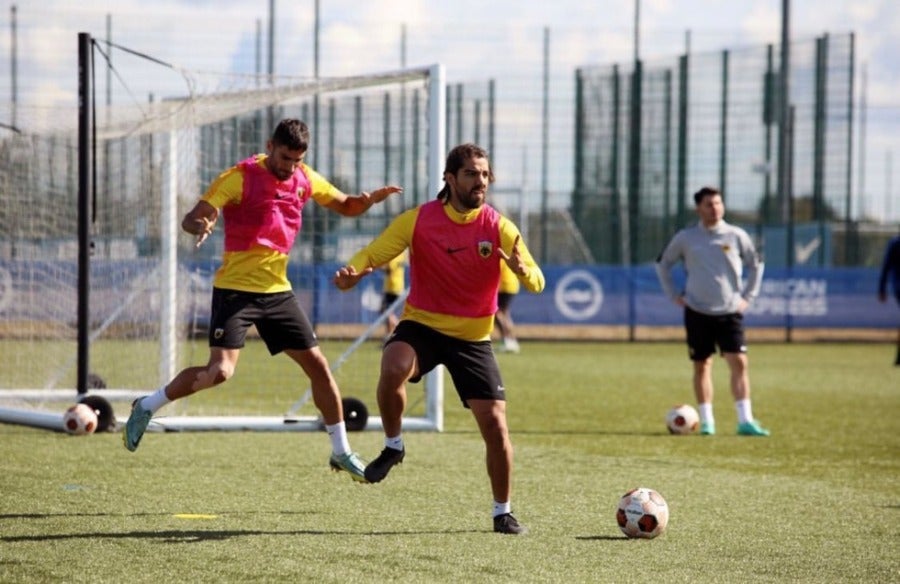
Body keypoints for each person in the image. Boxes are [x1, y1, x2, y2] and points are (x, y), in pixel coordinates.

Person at [122, 118, 402, 483]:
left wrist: (366, 202)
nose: (289, 167)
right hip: (236, 290)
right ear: (270, 146)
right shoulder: (238, 177)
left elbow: (346, 206)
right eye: (284, 158)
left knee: (319, 367)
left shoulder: (304, 178)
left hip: (277, 292)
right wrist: (201, 225)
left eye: (296, 160)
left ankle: (341, 451)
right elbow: (192, 218)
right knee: (219, 372)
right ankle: (146, 406)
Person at [333, 143, 544, 534]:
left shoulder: (500, 227)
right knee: (393, 364)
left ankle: (503, 512)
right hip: (423, 327)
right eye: (471, 174)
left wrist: (523, 270)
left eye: (484, 174)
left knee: (496, 426)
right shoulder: (418, 220)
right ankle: (394, 446)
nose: (480, 181)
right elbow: (375, 252)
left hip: (474, 339)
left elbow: (537, 281)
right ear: (450, 178)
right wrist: (353, 271)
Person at [655, 186, 769, 437]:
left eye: (718, 203)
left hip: (730, 310)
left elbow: (756, 264)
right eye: (709, 204)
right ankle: (706, 421)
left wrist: (748, 296)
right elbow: (663, 264)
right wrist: (674, 295)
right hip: (697, 310)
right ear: (699, 208)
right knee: (701, 365)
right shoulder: (686, 237)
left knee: (739, 363)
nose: (715, 208)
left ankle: (745, 420)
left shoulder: (736, 235)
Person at [877, 233, 900, 365]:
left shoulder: (894, 242)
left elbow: (886, 267)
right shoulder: (895, 243)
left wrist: (882, 288)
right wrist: (881, 288)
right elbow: (886, 266)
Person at [495, 259, 521, 353]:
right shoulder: (508, 251)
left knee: (497, 313)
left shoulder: (498, 253)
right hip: (512, 285)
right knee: (505, 314)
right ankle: (511, 341)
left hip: (503, 286)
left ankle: (507, 340)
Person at [380, 250, 407, 338]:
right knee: (386, 312)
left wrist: (377, 266)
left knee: (385, 312)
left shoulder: (394, 254)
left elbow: (389, 270)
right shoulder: (401, 253)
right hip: (396, 286)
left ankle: (401, 329)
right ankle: (388, 337)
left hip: (392, 287)